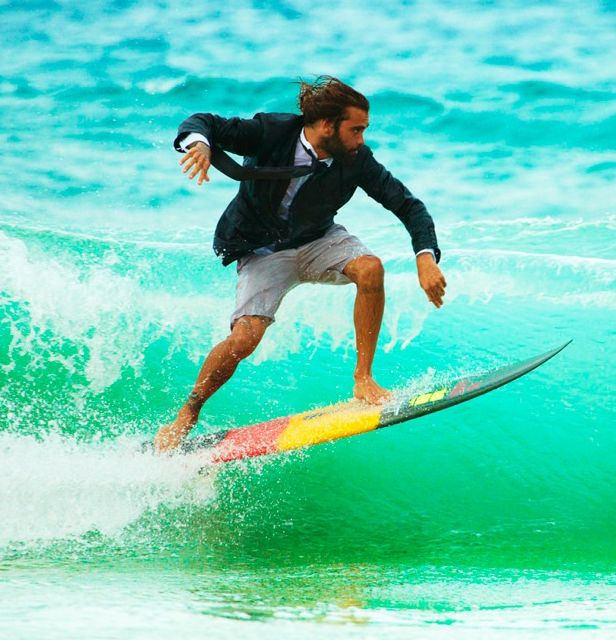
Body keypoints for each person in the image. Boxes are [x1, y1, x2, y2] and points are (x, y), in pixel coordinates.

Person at [154, 76, 446, 452]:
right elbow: (203, 122)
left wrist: (425, 257)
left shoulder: (357, 160)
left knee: (370, 268)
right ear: (327, 125)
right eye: (356, 129)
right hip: (261, 250)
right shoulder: (271, 132)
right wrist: (200, 145)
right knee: (244, 339)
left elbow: (408, 205)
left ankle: (363, 379)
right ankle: (187, 414)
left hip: (318, 240)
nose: (361, 139)